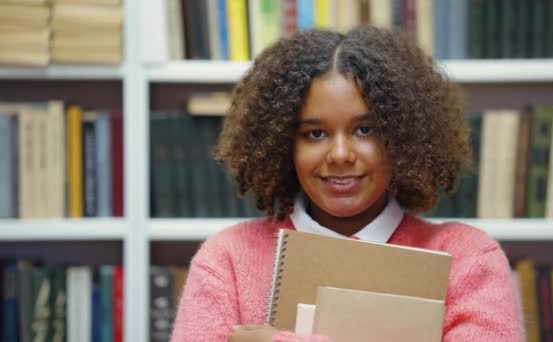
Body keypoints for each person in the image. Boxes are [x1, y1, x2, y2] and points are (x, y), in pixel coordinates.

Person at [171, 26, 523, 342]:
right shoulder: (226, 260)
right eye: (315, 133)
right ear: (284, 145)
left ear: (401, 138)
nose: (340, 154)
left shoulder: (469, 259)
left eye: (364, 130)